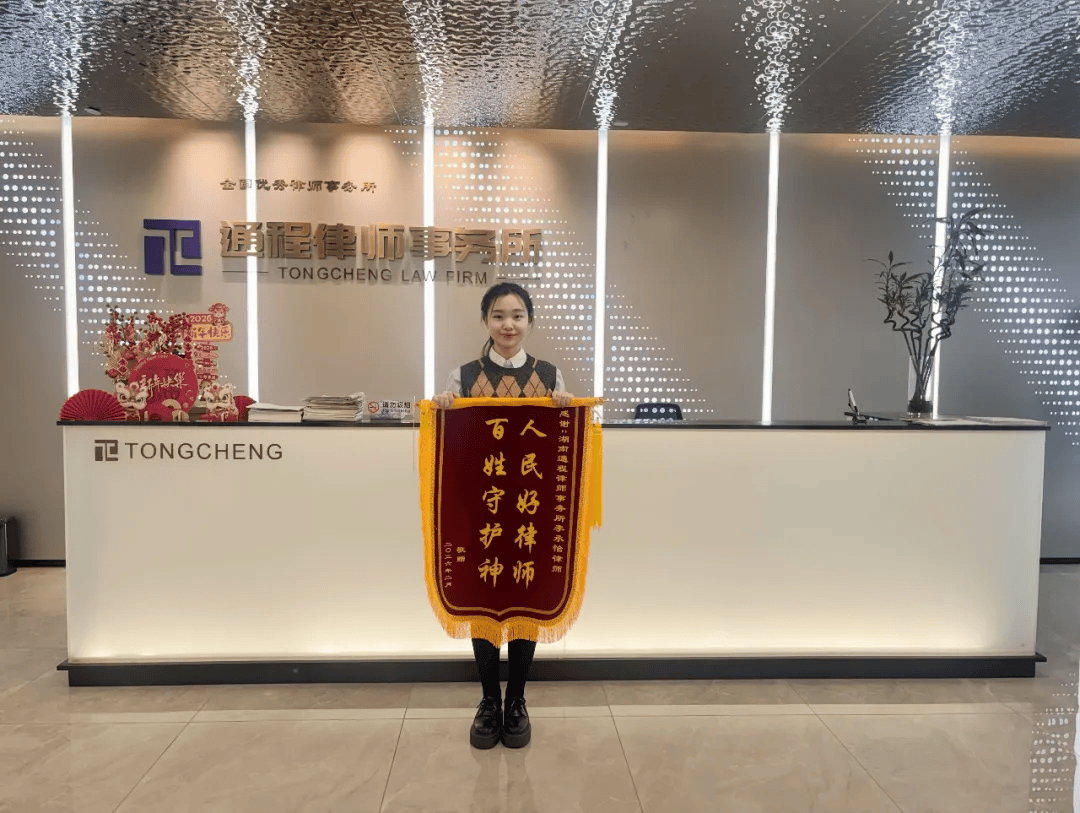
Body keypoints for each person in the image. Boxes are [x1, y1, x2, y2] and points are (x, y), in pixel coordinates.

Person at [432, 282, 574, 749]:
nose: (507, 325)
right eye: (498, 316)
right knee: (483, 605)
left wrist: (565, 410)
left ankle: (517, 700)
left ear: (529, 321)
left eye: (516, 315)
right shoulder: (462, 378)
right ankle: (489, 700)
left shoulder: (550, 377)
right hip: (482, 514)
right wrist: (444, 412)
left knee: (525, 604)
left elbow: (562, 448)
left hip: (531, 514)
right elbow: (452, 451)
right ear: (485, 321)